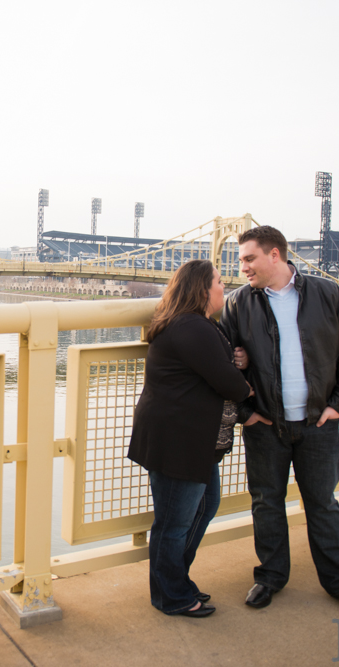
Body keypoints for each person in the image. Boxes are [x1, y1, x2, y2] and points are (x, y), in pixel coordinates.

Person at [220, 225, 339, 619]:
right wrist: (246, 413)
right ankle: (270, 577)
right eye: (241, 260)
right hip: (266, 425)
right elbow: (224, 364)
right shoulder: (239, 304)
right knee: (265, 503)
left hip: (317, 425)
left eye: (249, 258)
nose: (243, 268)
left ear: (275, 255)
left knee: (322, 505)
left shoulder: (327, 294)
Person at [128, 259, 252, 618]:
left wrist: (235, 362)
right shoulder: (191, 327)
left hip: (193, 441)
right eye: (217, 282)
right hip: (177, 441)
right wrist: (248, 389)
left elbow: (219, 366)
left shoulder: (195, 325)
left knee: (205, 507)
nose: (222, 288)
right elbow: (227, 381)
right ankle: (171, 595)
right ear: (201, 289)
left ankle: (175, 580)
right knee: (174, 522)